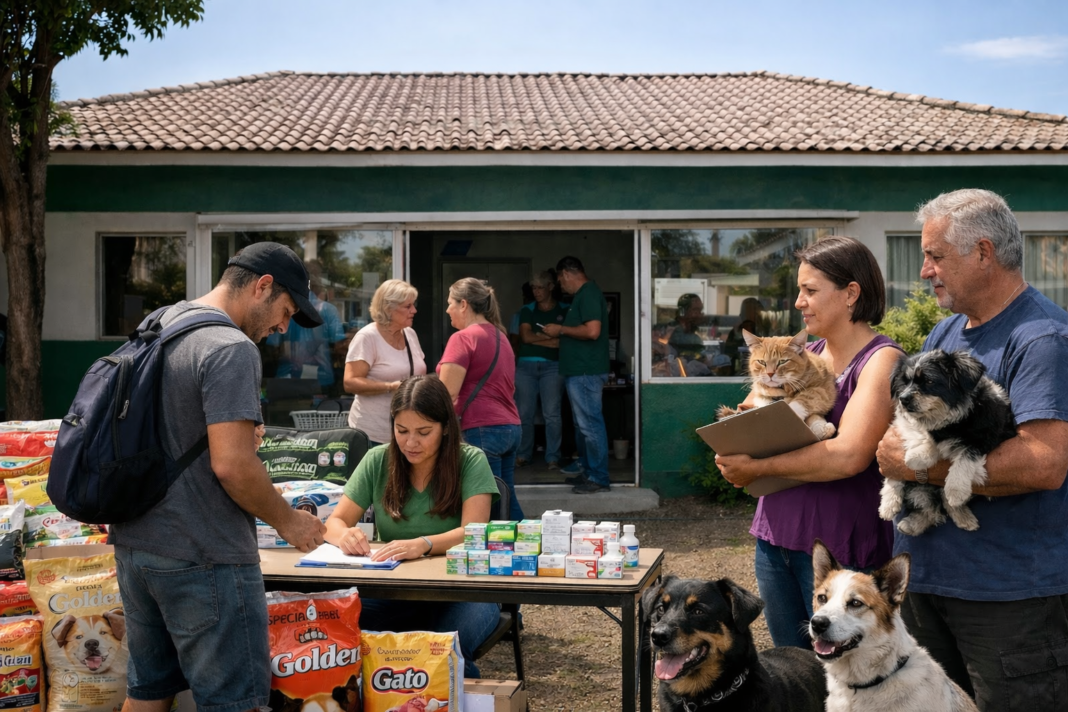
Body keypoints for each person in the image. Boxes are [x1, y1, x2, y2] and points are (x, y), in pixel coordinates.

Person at [111, 242, 327, 712]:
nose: (282, 327)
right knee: (236, 702)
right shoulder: (231, 347)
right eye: (286, 311)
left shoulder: (164, 321)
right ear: (262, 286)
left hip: (137, 546)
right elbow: (231, 465)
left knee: (147, 694)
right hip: (203, 554)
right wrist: (290, 522)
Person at [875, 189, 1068, 711]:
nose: (924, 270)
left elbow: (1044, 462)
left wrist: (915, 465)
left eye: (935, 255)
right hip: (929, 582)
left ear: (983, 253)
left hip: (1007, 599)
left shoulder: (1042, 338)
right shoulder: (948, 331)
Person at [715, 236, 904, 648]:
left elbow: (848, 455)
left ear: (851, 293)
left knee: (843, 677)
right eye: (799, 290)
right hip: (774, 539)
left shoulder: (881, 360)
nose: (799, 301)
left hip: (839, 553)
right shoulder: (801, 352)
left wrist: (757, 467)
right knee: (795, 669)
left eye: (810, 290)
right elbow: (752, 412)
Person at [324, 375, 501, 678]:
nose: (410, 442)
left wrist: (423, 544)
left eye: (424, 432)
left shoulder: (470, 460)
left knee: (446, 650)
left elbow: (474, 532)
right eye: (401, 430)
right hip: (394, 591)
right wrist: (345, 536)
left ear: (446, 428)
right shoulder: (377, 460)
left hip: (466, 590)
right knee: (342, 635)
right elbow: (334, 522)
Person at [437, 278, 524, 519]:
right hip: (510, 426)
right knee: (505, 498)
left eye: (450, 303)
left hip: (482, 428)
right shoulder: (501, 336)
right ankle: (526, 549)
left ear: (463, 304)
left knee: (490, 505)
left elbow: (447, 393)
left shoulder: (462, 338)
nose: (447, 310)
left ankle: (518, 551)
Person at [541, 256, 612, 494]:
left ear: (568, 273)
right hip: (580, 372)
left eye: (560, 280)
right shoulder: (583, 295)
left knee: (590, 425)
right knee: (584, 426)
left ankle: (599, 477)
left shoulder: (589, 293)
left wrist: (560, 329)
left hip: (586, 371)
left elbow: (593, 331)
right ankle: (590, 472)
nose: (561, 285)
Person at [344, 279, 427, 446]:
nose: (414, 310)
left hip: (406, 432)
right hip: (372, 434)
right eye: (407, 306)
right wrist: (390, 387)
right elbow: (350, 382)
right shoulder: (367, 337)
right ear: (389, 308)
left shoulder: (410, 334)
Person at [515, 270, 569, 469]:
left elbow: (565, 342)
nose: (536, 291)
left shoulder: (565, 309)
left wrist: (541, 336)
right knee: (524, 413)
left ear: (550, 287)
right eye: (533, 288)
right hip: (525, 367)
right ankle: (523, 454)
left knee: (552, 414)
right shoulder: (527, 309)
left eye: (540, 287)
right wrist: (550, 338)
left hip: (553, 367)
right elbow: (526, 338)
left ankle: (553, 457)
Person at [270, 277, 346, 390]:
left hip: (287, 376)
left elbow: (273, 347)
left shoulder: (281, 308)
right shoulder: (329, 310)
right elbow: (339, 346)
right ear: (320, 289)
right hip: (321, 376)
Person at [669, 293, 707, 362]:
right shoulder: (674, 334)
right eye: (696, 310)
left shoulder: (693, 337)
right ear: (682, 312)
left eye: (700, 310)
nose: (700, 315)